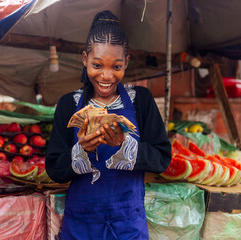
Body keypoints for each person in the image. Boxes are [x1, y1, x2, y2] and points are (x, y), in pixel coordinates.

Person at [46, 10, 172, 240]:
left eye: (116, 67)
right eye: (97, 65)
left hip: (128, 225)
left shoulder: (141, 100)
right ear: (85, 59)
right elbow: (54, 169)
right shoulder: (68, 104)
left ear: (127, 62)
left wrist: (126, 146)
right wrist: (80, 150)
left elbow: (161, 159)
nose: (106, 76)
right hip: (81, 224)